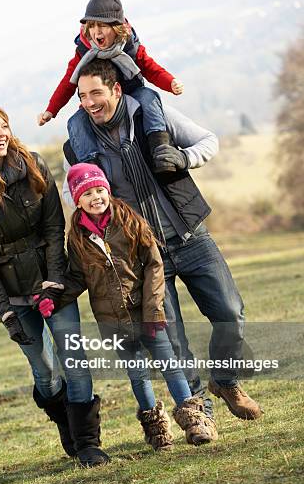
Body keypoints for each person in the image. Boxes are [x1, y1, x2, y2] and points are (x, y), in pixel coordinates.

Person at [61, 59, 263, 427]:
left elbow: (208, 140)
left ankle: (226, 380)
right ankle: (200, 416)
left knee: (231, 314)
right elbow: (71, 188)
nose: (89, 102)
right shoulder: (78, 143)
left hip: (190, 236)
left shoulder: (151, 113)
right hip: (142, 257)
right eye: (82, 95)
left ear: (116, 89)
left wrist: (184, 157)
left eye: (96, 92)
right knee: (174, 342)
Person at [0, 101, 110, 468]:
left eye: (3, 125)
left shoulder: (34, 165)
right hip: (12, 296)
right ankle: (65, 422)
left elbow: (55, 228)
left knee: (75, 360)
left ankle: (88, 443)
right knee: (44, 370)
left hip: (54, 283)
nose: (1, 133)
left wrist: (55, 279)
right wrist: (3, 310)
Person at [37, 163, 218, 450]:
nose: (96, 197)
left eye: (100, 190)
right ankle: (157, 430)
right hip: (113, 321)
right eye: (87, 193)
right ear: (77, 200)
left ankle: (195, 421)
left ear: (107, 190)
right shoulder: (77, 238)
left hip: (147, 313)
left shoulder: (129, 221)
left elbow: (155, 265)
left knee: (169, 364)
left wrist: (153, 309)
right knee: (137, 373)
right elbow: (76, 277)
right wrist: (54, 299)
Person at [37, 0, 183, 168]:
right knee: (76, 122)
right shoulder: (84, 51)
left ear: (116, 27)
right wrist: (51, 110)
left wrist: (170, 82)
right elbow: (68, 82)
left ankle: (160, 148)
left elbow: (150, 68)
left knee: (149, 97)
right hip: (100, 102)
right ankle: (91, 166)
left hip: (131, 94)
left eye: (103, 26)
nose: (96, 32)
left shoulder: (130, 47)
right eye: (92, 26)